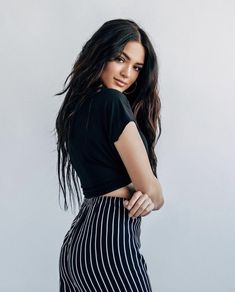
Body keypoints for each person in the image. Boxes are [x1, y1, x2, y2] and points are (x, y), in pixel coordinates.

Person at [54, 18, 164, 292]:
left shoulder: (74, 109)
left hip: (78, 242)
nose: (127, 73)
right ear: (101, 53)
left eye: (137, 67)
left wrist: (144, 195)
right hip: (110, 237)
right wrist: (149, 197)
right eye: (120, 58)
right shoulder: (113, 102)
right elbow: (152, 191)